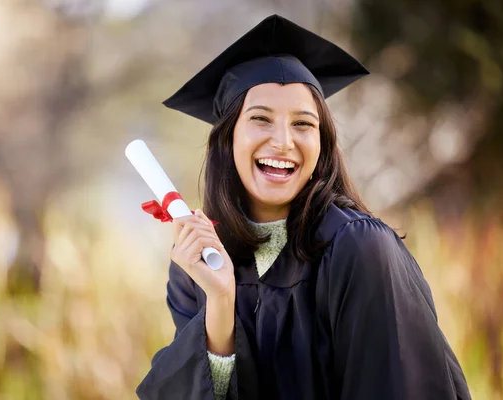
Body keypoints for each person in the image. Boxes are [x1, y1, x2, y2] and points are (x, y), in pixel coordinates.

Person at [136, 14, 471, 400]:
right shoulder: (196, 267)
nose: (282, 141)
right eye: (260, 119)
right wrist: (221, 301)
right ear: (228, 140)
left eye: (303, 124)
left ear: (322, 144)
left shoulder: (359, 250)